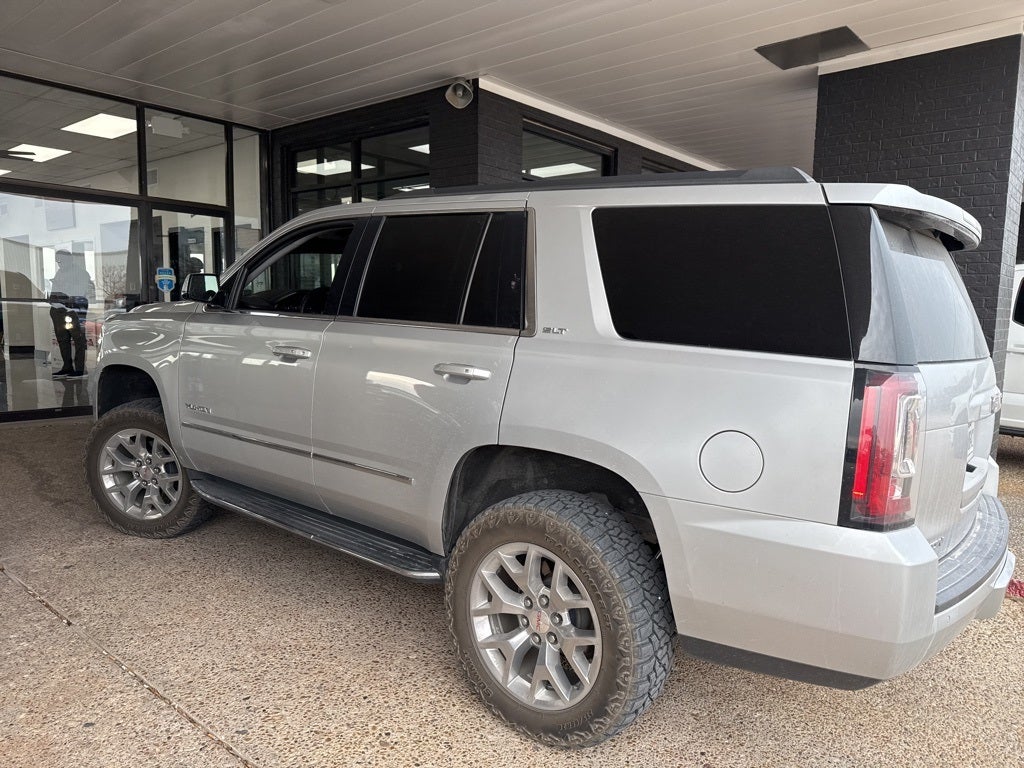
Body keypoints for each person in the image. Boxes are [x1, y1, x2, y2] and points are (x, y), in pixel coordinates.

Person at [48, 250, 92, 378]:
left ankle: (79, 369)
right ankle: (67, 367)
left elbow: (80, 291)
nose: (59, 263)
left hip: (72, 310)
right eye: (57, 261)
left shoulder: (81, 273)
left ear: (69, 259)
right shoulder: (59, 273)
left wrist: (65, 297)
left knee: (78, 339)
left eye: (61, 260)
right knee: (62, 339)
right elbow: (55, 289)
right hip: (57, 310)